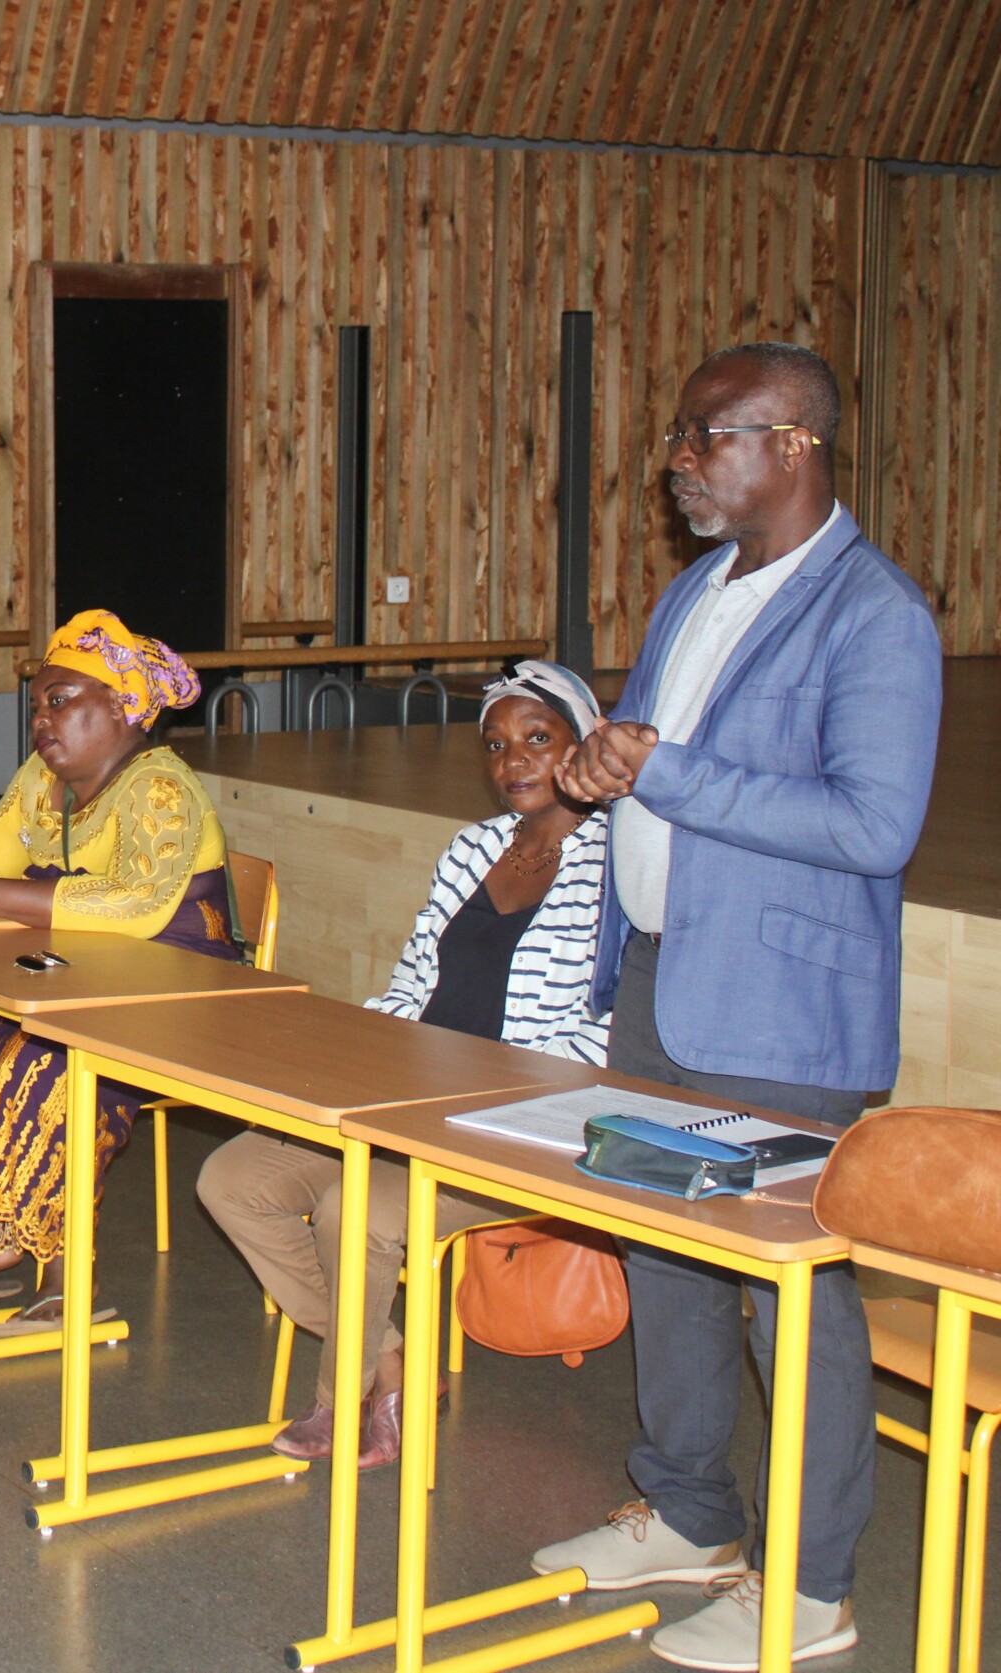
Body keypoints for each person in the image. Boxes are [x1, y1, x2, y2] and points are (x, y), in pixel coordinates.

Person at [534, 343, 942, 1671]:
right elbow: (661, 760)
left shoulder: (873, 615)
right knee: (668, 1256)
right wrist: (608, 766)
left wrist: (678, 774)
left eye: (709, 436)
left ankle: (812, 1589)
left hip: (779, 1007)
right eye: (683, 433)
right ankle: (690, 1512)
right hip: (663, 974)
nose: (681, 458)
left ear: (797, 446)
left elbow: (875, 824)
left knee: (788, 1293)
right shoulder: (696, 588)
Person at [197, 659, 611, 1471]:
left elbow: (606, 1033)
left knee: (360, 1209)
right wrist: (357, 1063)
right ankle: (391, 1357)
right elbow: (413, 980)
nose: (513, 761)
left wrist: (475, 1091)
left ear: (585, 744)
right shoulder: (473, 847)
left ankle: (338, 1400)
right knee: (233, 1178)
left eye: (537, 738)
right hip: (404, 1099)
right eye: (496, 745)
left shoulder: (619, 869)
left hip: (511, 1127)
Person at [0, 609, 224, 1335]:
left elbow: (137, 902)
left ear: (125, 706)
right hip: (82, 969)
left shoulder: (160, 786)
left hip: (173, 982)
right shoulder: (44, 780)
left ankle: (65, 1270)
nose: (41, 720)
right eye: (36, 705)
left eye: (61, 701)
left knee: (44, 1059)